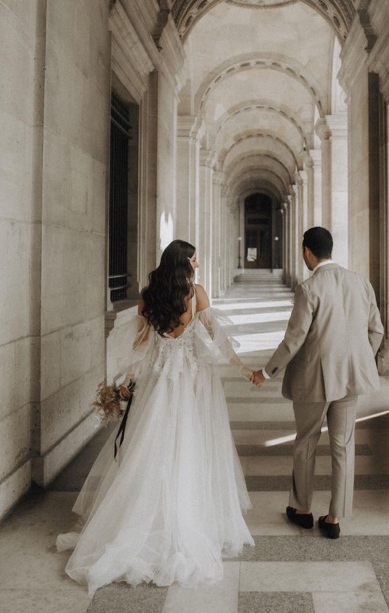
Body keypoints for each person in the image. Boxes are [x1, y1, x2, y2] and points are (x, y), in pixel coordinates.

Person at [57, 240, 254, 595]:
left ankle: (138, 521)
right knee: (184, 452)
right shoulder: (196, 295)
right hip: (188, 387)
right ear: (186, 264)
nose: (198, 265)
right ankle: (180, 523)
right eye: (195, 260)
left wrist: (126, 384)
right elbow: (219, 340)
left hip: (156, 386)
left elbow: (141, 345)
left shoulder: (149, 295)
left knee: (148, 451)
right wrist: (245, 370)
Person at [252, 227, 383, 539]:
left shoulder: (309, 288)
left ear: (306, 251)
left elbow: (294, 339)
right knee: (343, 445)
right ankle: (335, 517)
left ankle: (302, 509)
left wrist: (267, 372)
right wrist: (360, 359)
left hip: (315, 378)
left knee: (306, 440)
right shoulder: (360, 283)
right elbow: (376, 330)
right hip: (350, 378)